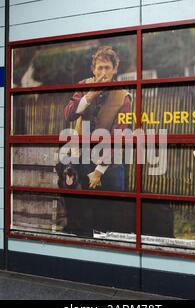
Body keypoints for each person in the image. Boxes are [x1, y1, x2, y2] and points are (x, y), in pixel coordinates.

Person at [62, 46, 134, 236]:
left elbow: (119, 136)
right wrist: (89, 95)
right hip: (83, 158)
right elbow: (69, 114)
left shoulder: (123, 97)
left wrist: (100, 170)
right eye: (100, 68)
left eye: (107, 68)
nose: (103, 73)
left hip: (111, 162)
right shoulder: (83, 86)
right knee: (86, 211)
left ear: (115, 69)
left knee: (113, 211)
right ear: (93, 69)